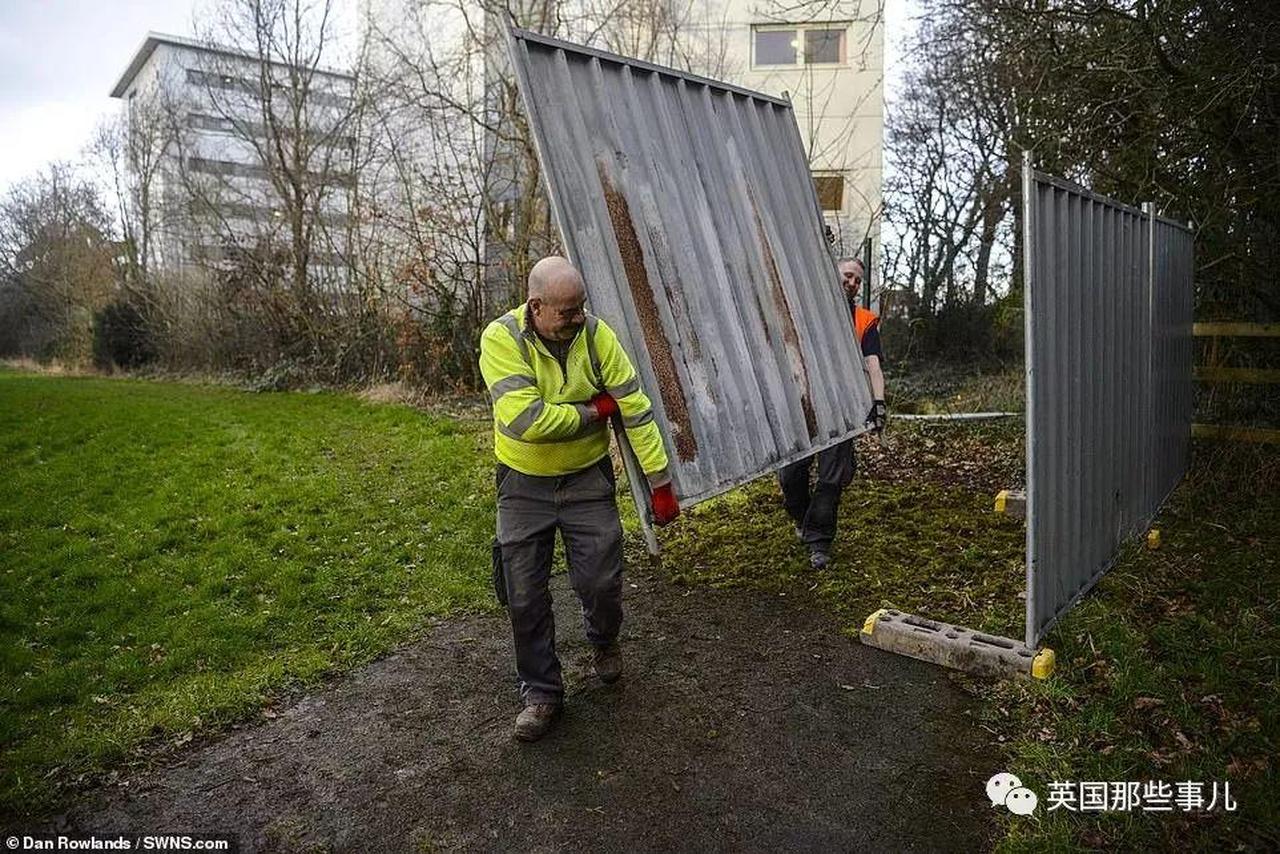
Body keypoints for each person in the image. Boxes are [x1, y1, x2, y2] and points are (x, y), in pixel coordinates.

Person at [478, 256, 680, 742]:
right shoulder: (501, 340)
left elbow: (635, 408)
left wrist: (659, 482)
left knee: (601, 580)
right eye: (567, 311)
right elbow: (527, 421)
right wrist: (593, 411)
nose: (577, 318)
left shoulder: (596, 335)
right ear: (536, 306)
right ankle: (542, 692)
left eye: (581, 308)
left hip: (587, 480)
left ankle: (603, 640)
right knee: (524, 593)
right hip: (523, 483)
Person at [778, 256, 886, 569]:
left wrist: (878, 402)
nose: (852, 283)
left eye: (857, 280)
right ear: (831, 275)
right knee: (790, 473)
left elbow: (873, 364)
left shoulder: (864, 320)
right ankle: (803, 521)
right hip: (803, 403)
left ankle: (819, 544)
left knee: (832, 477)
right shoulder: (806, 309)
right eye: (847, 276)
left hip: (842, 407)